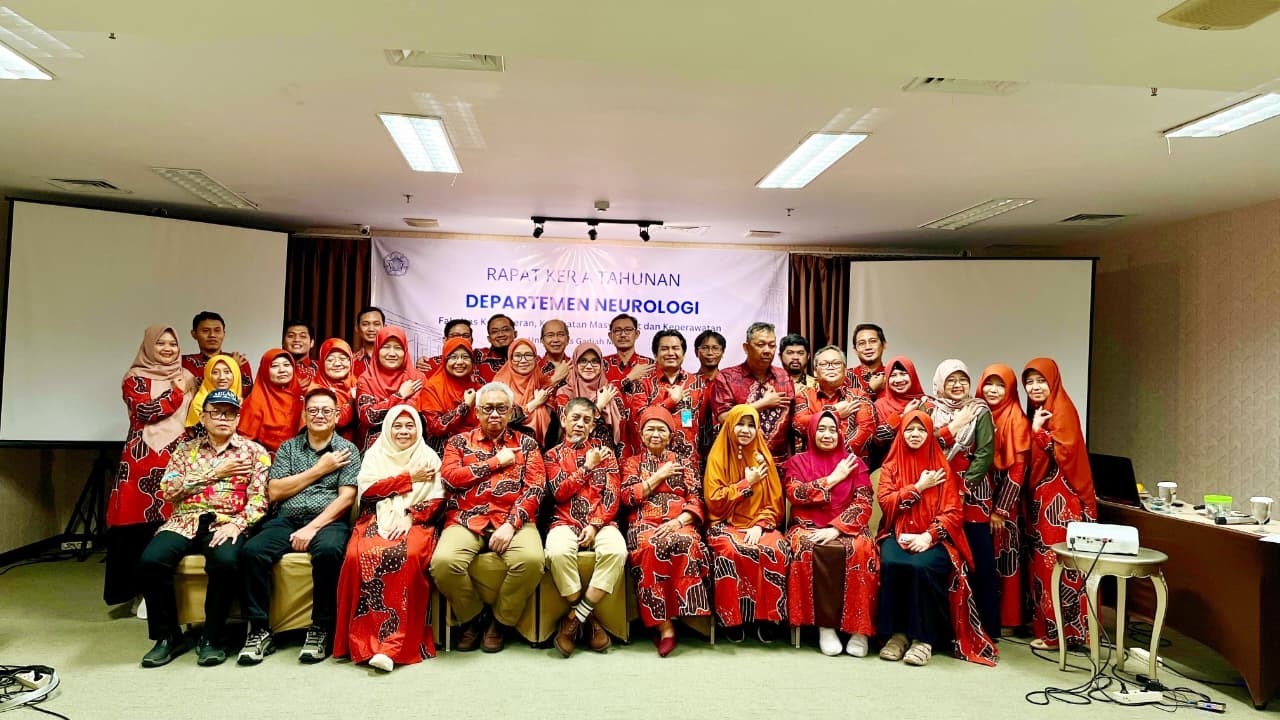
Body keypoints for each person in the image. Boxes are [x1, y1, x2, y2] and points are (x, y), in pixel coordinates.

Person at [137, 388, 270, 668]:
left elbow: (260, 499)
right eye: (217, 412)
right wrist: (215, 473)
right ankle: (167, 637)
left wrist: (238, 524)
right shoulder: (185, 450)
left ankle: (212, 637)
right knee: (151, 561)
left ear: (238, 418)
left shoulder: (254, 452)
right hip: (184, 520)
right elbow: (169, 490)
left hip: (226, 522)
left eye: (231, 413)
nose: (224, 418)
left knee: (225, 562)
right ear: (203, 416)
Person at [238, 387, 360, 665]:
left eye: (326, 410)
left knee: (330, 552)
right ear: (304, 414)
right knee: (252, 551)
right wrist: (319, 470)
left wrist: (312, 528)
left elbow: (346, 498)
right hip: (286, 518)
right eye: (313, 410)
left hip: (327, 520)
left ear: (337, 415)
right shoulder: (288, 448)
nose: (319, 415)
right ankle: (259, 630)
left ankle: (320, 629)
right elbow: (276, 491)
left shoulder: (347, 450)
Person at [431, 382, 546, 653]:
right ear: (477, 413)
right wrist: (495, 463)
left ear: (510, 412)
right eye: (488, 409)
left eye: (501, 409)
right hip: (466, 518)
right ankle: (472, 618)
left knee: (531, 561)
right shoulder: (458, 442)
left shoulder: (526, 444)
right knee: (443, 563)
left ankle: (500, 621)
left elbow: (536, 487)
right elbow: (450, 478)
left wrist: (511, 524)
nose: (494, 414)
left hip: (513, 519)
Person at [875, 411, 997, 667]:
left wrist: (928, 536)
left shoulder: (942, 467)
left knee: (922, 566)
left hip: (935, 538)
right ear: (902, 433)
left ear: (930, 433)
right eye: (909, 430)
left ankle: (923, 639)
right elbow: (886, 504)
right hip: (897, 533)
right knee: (892, 563)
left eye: (921, 430)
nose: (915, 434)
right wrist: (918, 487)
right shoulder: (891, 466)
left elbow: (953, 512)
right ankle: (897, 635)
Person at [334, 405, 444, 672]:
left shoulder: (428, 457)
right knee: (357, 555)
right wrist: (408, 477)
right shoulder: (374, 455)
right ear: (387, 428)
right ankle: (362, 644)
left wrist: (410, 517)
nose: (403, 431)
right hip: (375, 517)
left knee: (405, 555)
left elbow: (438, 499)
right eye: (397, 425)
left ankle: (394, 647)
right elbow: (369, 492)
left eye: (409, 426)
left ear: (418, 429)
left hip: (417, 521)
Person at [107, 325, 198, 606]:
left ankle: (164, 592)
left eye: (173, 344)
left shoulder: (188, 377)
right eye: (161, 344)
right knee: (133, 529)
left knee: (172, 526)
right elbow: (145, 411)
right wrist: (176, 393)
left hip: (178, 459)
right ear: (149, 346)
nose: (168, 349)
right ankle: (135, 592)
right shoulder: (134, 379)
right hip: (140, 462)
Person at [783, 410, 878, 657]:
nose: (827, 435)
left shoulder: (854, 463)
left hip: (848, 527)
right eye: (821, 429)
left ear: (840, 433)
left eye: (832, 429)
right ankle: (825, 627)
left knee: (862, 550)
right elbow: (795, 493)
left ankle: (859, 629)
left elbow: (864, 501)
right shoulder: (798, 462)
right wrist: (831, 479)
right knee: (807, 548)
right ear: (812, 432)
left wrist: (837, 528)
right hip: (808, 526)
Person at [621, 407, 711, 657]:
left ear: (671, 435)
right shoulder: (631, 463)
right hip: (644, 524)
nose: (656, 434)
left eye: (662, 429)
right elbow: (628, 497)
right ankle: (665, 626)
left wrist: (678, 522)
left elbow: (696, 499)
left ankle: (687, 616)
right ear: (640, 433)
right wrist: (657, 476)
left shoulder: (684, 464)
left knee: (687, 543)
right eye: (650, 428)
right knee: (651, 547)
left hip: (679, 522)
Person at [1023, 358, 1096, 650]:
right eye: (1029, 382)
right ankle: (1053, 631)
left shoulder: (1062, 409)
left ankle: (1063, 635)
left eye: (1040, 380)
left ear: (1052, 381)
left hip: (1061, 503)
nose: (1034, 387)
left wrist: (1037, 431)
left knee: (1059, 565)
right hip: (1043, 501)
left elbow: (1064, 453)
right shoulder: (1040, 411)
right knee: (1044, 565)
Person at [544, 397, 626, 657]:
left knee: (616, 551)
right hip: (564, 520)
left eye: (587, 420)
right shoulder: (552, 456)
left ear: (593, 426)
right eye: (575, 418)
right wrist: (588, 467)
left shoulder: (607, 453)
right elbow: (559, 492)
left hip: (601, 522)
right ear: (564, 419)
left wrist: (595, 524)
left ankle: (573, 619)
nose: (580, 424)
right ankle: (587, 618)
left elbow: (613, 496)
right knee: (557, 553)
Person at [702, 404, 790, 643]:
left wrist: (760, 525)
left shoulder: (763, 457)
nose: (745, 430)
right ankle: (732, 619)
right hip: (724, 523)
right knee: (730, 551)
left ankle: (767, 618)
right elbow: (714, 502)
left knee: (775, 549)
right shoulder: (717, 456)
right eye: (740, 423)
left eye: (751, 425)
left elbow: (775, 504)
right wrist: (745, 484)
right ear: (730, 425)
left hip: (759, 524)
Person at [930, 359, 998, 639]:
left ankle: (984, 628)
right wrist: (953, 426)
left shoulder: (979, 410)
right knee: (943, 556)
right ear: (940, 383)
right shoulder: (930, 409)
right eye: (951, 380)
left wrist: (963, 485)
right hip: (936, 489)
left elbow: (984, 454)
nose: (958, 386)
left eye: (963, 380)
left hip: (972, 494)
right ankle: (945, 626)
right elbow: (926, 444)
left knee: (977, 558)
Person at [978, 364, 1032, 633]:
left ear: (1010, 389)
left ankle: (1008, 619)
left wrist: (1000, 509)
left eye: (1001, 385)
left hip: (1005, 502)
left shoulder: (1017, 419)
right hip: (981, 498)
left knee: (1007, 557)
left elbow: (1018, 470)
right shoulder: (979, 414)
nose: (993, 390)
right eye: (989, 384)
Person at [708, 322, 796, 461]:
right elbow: (723, 417)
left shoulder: (784, 377)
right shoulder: (727, 377)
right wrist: (762, 403)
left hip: (777, 463)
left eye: (772, 345)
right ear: (746, 347)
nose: (767, 350)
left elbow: (792, 423)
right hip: (738, 461)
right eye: (760, 345)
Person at [621, 329, 707, 460]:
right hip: (651, 462)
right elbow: (640, 420)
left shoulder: (697, 383)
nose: (671, 353)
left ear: (683, 354)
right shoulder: (642, 383)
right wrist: (671, 401)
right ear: (655, 354)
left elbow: (703, 424)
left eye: (675, 348)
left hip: (687, 460)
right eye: (665, 349)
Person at [791, 345, 877, 460]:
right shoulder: (804, 396)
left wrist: (833, 458)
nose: (830, 367)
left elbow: (866, 430)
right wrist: (834, 412)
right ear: (815, 371)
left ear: (845, 370)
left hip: (850, 466)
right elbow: (798, 424)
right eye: (824, 364)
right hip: (812, 468)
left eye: (836, 363)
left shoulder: (859, 396)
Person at [356, 326, 426, 450]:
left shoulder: (417, 378)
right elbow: (368, 416)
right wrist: (400, 395)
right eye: (386, 347)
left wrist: (382, 405)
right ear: (377, 349)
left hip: (410, 447)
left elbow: (410, 414)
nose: (392, 353)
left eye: (398, 348)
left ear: (405, 350)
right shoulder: (366, 379)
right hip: (375, 450)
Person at [554, 343, 627, 456]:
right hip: (571, 455)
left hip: (605, 455)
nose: (589, 366)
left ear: (601, 364)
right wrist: (599, 406)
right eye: (583, 361)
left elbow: (622, 431)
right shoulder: (564, 392)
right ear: (575, 363)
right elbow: (566, 426)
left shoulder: (611, 391)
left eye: (594, 361)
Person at [420, 337, 483, 449]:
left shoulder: (479, 388)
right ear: (445, 360)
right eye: (453, 357)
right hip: (443, 449)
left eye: (465, 357)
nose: (459, 362)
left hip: (477, 446)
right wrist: (466, 406)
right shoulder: (433, 388)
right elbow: (435, 427)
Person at [237, 349, 304, 454]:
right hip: (265, 461)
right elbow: (244, 443)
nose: (282, 370)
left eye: (286, 365)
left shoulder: (302, 398)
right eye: (274, 366)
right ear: (265, 370)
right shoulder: (254, 402)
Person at [871, 356, 937, 457]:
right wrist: (903, 415)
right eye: (893, 375)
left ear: (912, 376)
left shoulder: (928, 402)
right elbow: (878, 440)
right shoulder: (880, 405)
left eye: (903, 374)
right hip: (891, 465)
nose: (898, 380)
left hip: (925, 462)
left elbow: (936, 438)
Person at [494, 337, 553, 446]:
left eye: (528, 355)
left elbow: (554, 424)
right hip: (505, 448)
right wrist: (534, 404)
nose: (523, 360)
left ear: (535, 358)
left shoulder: (543, 383)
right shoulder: (499, 385)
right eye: (517, 356)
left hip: (541, 451)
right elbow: (500, 419)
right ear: (510, 359)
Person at [182, 311, 254, 395]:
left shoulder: (240, 361)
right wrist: (231, 367)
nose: (212, 335)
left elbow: (247, 396)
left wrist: (234, 367)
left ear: (224, 333)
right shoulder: (185, 363)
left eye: (217, 330)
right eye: (205, 331)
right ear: (194, 334)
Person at [311, 339, 359, 442]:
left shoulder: (356, 383)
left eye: (343, 359)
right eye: (330, 360)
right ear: (322, 363)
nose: (337, 364)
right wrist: (352, 400)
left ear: (351, 361)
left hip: (355, 449)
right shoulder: (316, 390)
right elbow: (338, 421)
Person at [183, 353, 242, 431]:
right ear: (208, 375)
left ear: (236, 374)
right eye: (215, 372)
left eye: (227, 372)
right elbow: (193, 434)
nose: (221, 377)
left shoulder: (245, 403)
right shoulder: (199, 403)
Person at [602, 313, 654, 384]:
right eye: (617, 331)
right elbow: (598, 393)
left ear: (636, 334)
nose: (623, 335)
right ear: (611, 336)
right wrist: (629, 378)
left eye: (628, 330)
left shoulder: (650, 365)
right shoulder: (602, 365)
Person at [847, 323, 888, 400]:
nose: (868, 347)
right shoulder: (846, 377)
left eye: (873, 341)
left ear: (884, 345)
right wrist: (870, 390)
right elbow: (844, 408)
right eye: (862, 343)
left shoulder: (894, 376)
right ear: (855, 350)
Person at [475, 314, 517, 381]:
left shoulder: (529, 358)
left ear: (515, 334)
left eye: (505, 330)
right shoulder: (477, 356)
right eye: (494, 331)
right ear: (489, 338)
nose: (500, 334)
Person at [351, 306, 385, 379]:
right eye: (365, 324)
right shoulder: (350, 361)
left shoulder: (394, 359)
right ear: (357, 328)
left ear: (384, 327)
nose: (371, 329)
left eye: (376, 324)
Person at [283, 320, 319, 387]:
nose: (296, 340)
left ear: (312, 343)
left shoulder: (322, 369)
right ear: (283, 342)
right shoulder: (276, 368)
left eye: (303, 336)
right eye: (291, 336)